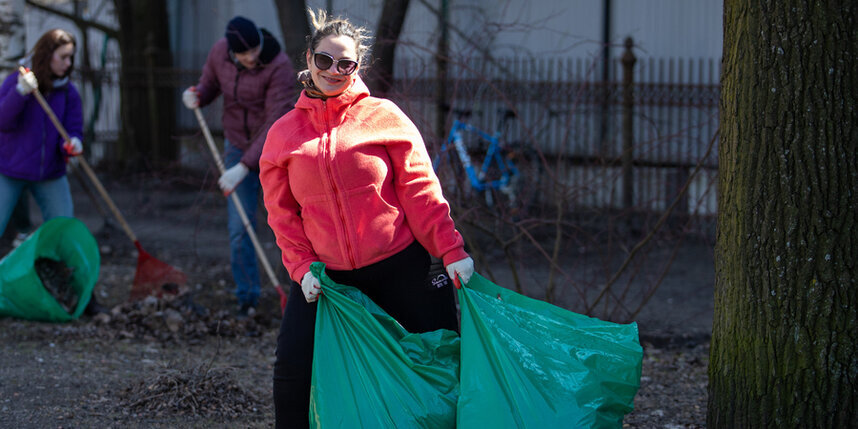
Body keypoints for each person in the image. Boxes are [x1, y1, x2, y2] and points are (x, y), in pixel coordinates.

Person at [259, 10, 475, 428]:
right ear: (308, 58)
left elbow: (421, 191)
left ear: (357, 68)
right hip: (327, 281)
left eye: (345, 64)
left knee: (440, 359)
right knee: (292, 370)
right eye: (324, 60)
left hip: (401, 267)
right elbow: (281, 215)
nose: (333, 71)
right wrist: (301, 269)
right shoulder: (283, 135)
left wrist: (451, 250)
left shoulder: (384, 117)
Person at [182, 16, 297, 317]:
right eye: (244, 55)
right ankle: (248, 297)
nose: (251, 58)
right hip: (236, 145)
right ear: (232, 52)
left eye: (254, 51)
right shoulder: (220, 52)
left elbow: (275, 123)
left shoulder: (279, 66)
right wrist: (197, 95)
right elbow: (209, 85)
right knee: (239, 226)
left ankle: (302, 289)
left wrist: (246, 166)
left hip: (276, 150)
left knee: (291, 221)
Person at [0, 29, 105, 315]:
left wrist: (74, 143)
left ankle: (84, 298)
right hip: (10, 170)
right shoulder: (17, 81)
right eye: (63, 57)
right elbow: (3, 120)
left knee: (65, 229)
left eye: (71, 57)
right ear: (48, 55)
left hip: (49, 173)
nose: (68, 63)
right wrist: (21, 92)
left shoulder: (68, 92)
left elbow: (73, 128)